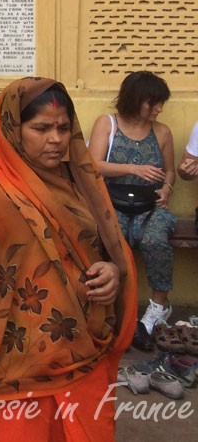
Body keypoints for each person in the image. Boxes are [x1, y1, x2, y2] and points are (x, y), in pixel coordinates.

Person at [0, 79, 136, 442]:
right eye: (40, 128)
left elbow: (106, 250)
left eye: (63, 127)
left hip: (84, 357)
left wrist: (112, 272)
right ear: (13, 128)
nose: (55, 139)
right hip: (11, 366)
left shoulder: (80, 183)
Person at [86, 71, 175, 342]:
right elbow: (93, 165)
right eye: (153, 103)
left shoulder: (161, 132)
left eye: (161, 103)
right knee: (115, 240)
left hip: (150, 205)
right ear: (135, 100)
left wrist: (165, 190)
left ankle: (159, 306)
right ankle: (117, 307)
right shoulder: (108, 124)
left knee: (154, 239)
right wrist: (133, 168)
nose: (159, 109)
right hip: (114, 203)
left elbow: (169, 171)